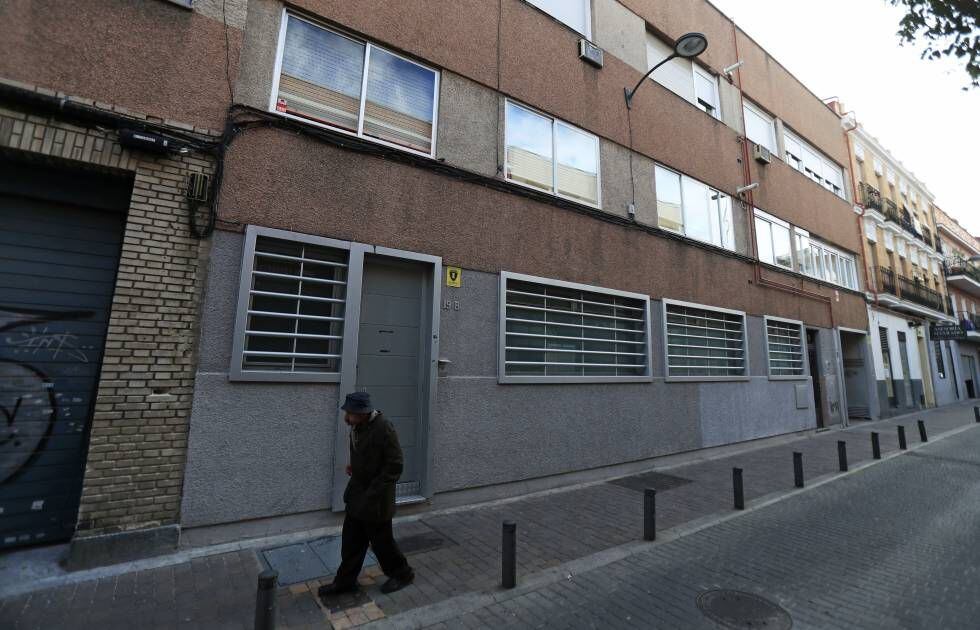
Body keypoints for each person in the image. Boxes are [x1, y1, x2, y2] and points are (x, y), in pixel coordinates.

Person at [318, 392, 415, 597]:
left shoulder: (384, 428)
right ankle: (345, 582)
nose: (347, 418)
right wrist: (355, 466)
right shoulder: (357, 427)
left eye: (350, 413)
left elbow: (395, 465)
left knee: (382, 543)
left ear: (362, 413)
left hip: (376, 499)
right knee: (352, 540)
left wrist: (373, 492)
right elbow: (365, 453)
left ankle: (402, 574)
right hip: (357, 494)